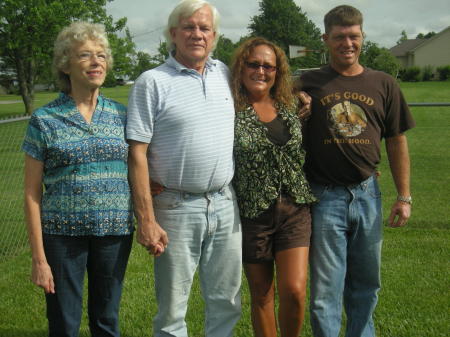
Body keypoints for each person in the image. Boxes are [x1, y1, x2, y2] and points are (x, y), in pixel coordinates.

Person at [126, 1, 242, 336]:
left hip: (224, 203)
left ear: (215, 35)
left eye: (204, 28)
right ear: (173, 33)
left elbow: (268, 93)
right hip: (174, 208)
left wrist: (304, 98)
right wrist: (146, 219)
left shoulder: (225, 74)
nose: (197, 34)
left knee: (226, 300)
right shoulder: (152, 81)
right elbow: (137, 153)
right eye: (189, 27)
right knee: (173, 309)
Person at [298, 5, 415, 337]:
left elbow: (396, 141)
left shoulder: (384, 83)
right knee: (324, 293)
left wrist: (404, 196)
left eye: (353, 36)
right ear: (326, 39)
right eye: (339, 37)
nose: (347, 43)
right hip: (323, 197)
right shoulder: (308, 83)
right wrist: (297, 108)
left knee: (366, 284)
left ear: (362, 36)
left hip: (367, 195)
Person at [22, 22, 134, 337]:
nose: (96, 61)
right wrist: (38, 258)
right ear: (65, 64)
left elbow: (138, 168)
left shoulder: (121, 116)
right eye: (85, 55)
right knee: (63, 324)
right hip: (61, 237)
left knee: (107, 321)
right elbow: (31, 194)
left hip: (114, 233)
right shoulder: (44, 119)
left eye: (101, 55)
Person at [230, 37, 316, 337]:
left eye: (269, 66)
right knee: (263, 296)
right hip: (253, 214)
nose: (261, 71)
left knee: (294, 290)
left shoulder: (290, 105)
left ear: (278, 72)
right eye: (254, 64)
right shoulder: (227, 107)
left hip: (294, 209)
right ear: (241, 67)